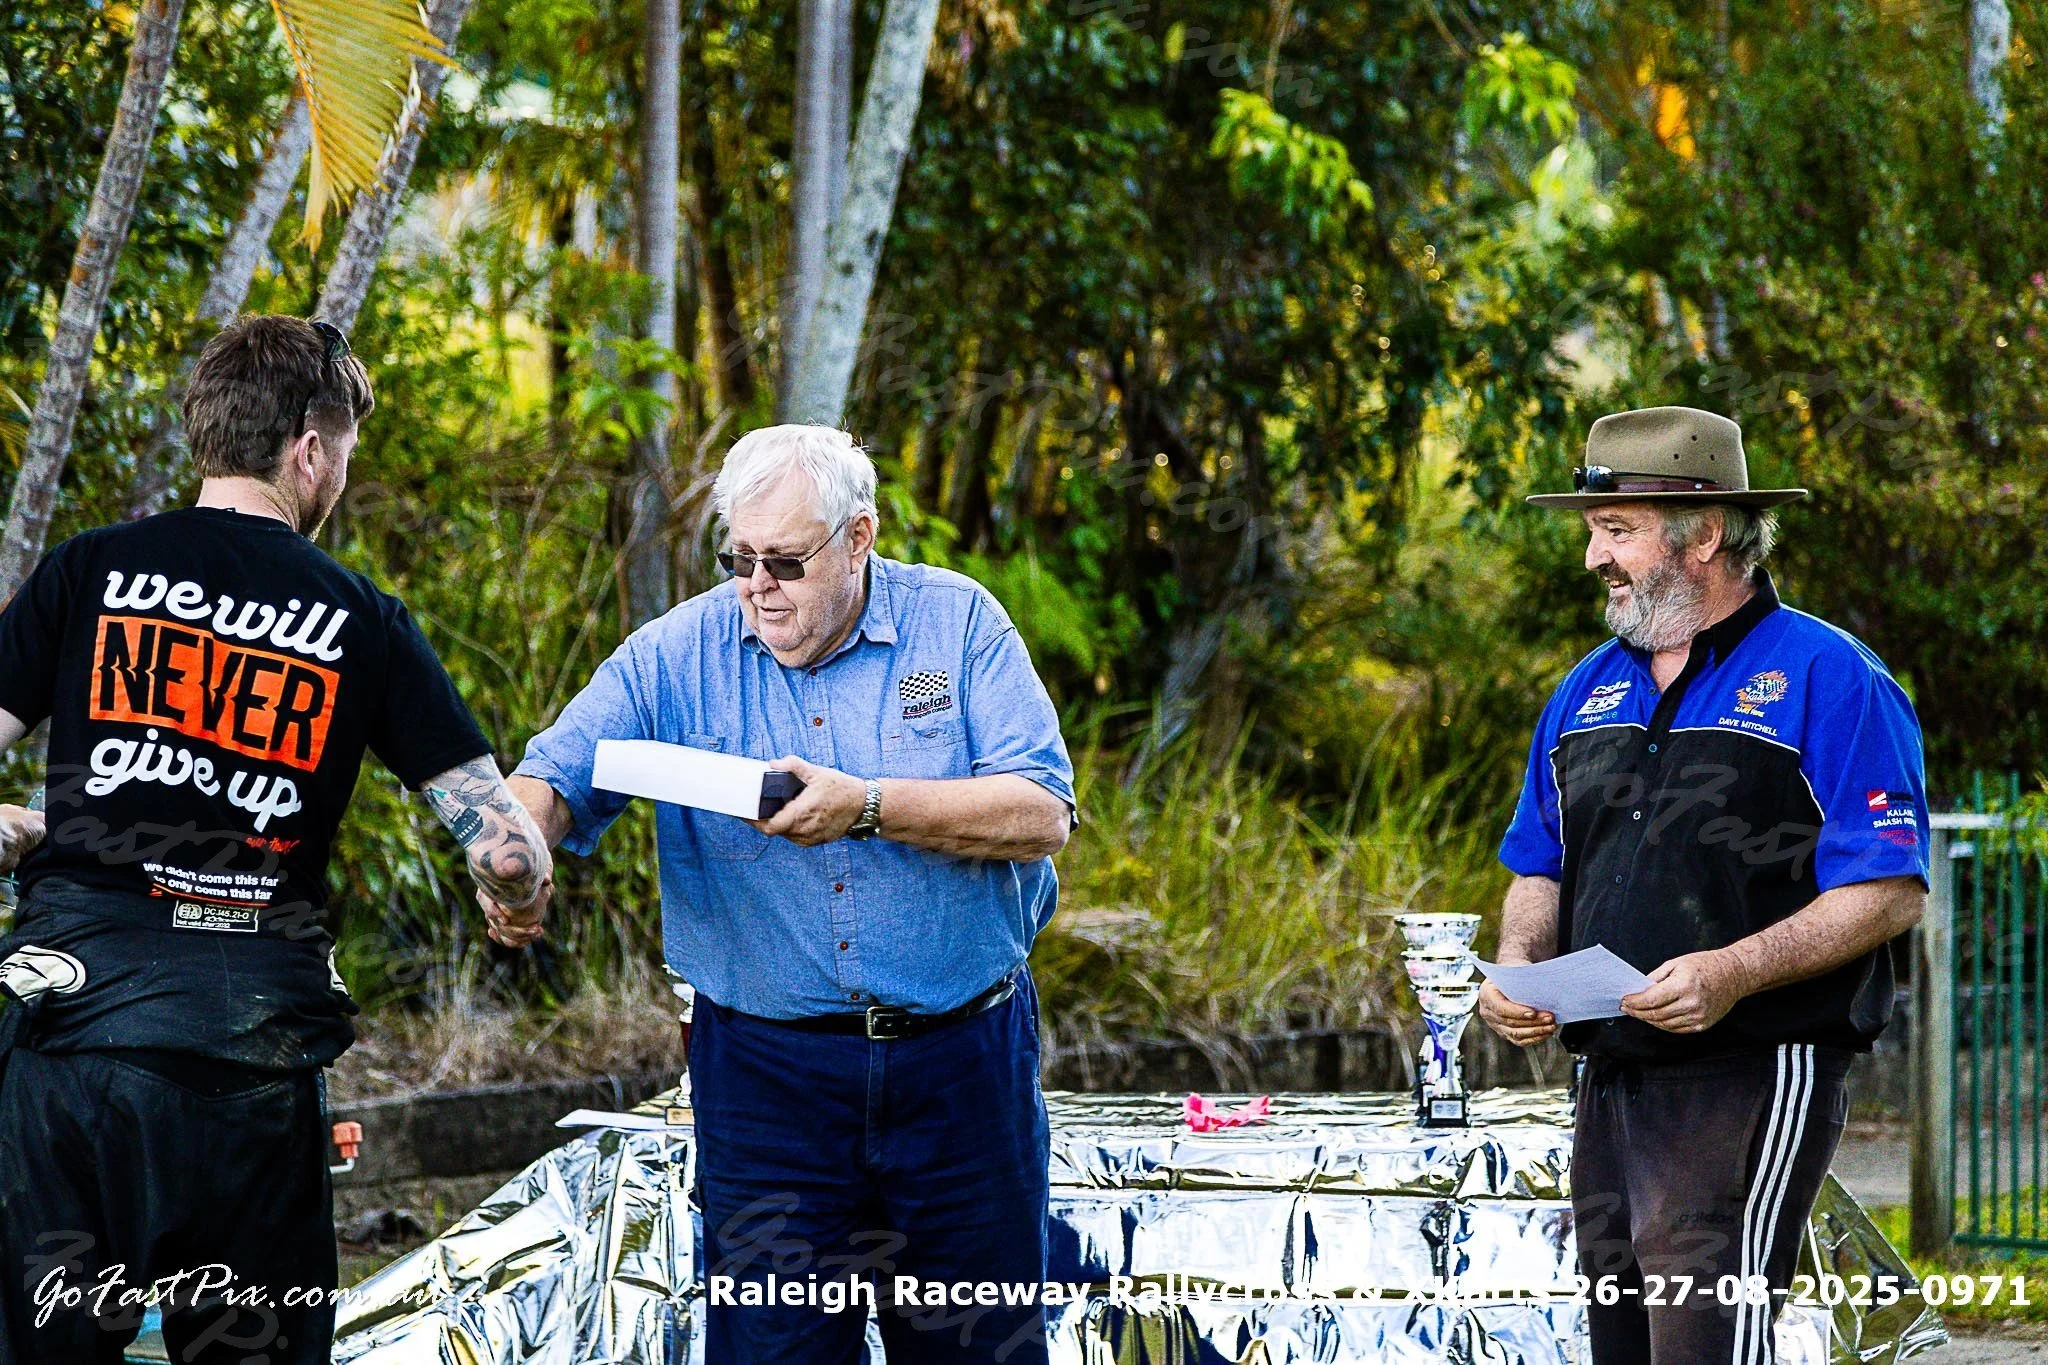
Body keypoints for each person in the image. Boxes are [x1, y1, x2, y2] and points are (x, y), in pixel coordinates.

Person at [0, 315, 552, 1365]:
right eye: (343, 452)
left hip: (78, 1051)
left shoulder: (88, 572)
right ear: (309, 447)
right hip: (252, 1063)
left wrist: (26, 829)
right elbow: (507, 849)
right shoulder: (359, 616)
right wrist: (520, 904)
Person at [507, 423, 1075, 1363]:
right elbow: (553, 777)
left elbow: (1041, 811)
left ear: (859, 538)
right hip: (767, 1085)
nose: (758, 586)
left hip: (961, 1073)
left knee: (980, 1348)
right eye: (740, 558)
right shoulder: (674, 654)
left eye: (785, 561)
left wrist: (869, 806)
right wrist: (516, 861)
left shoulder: (959, 624)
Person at [1479, 406, 1927, 1364]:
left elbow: (1889, 888)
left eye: (1617, 530)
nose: (1595, 557)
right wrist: (1517, 966)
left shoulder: (1832, 675)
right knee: (1622, 1342)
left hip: (1755, 1065)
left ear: (1706, 534)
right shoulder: (1582, 690)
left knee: (1705, 1337)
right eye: (1595, 531)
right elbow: (1540, 864)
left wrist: (1728, 970)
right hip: (1607, 1073)